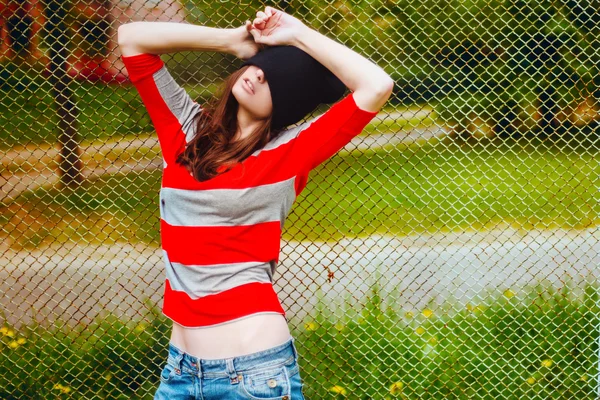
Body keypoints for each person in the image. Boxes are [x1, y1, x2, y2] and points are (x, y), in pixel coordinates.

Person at [118, 5, 393, 399]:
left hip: (253, 371)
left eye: (278, 81)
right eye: (263, 66)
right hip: (179, 370)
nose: (260, 74)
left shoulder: (291, 152)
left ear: (288, 105)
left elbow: (376, 86)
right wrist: (231, 41)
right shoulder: (184, 131)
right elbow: (131, 39)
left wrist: (297, 34)